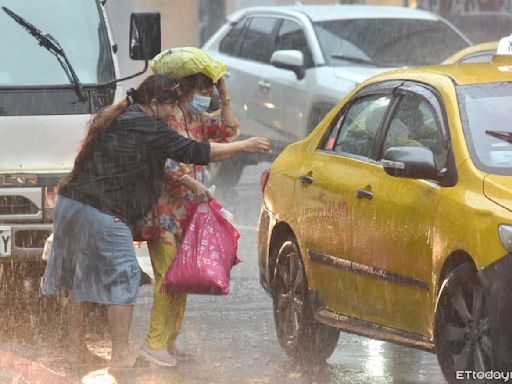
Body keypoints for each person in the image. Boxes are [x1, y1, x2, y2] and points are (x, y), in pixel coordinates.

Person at [40, 74, 271, 368]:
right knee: (124, 279)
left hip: (70, 204)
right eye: (169, 106)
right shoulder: (149, 127)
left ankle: (75, 349)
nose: (172, 112)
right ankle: (121, 353)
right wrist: (244, 146)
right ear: (154, 103)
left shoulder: (119, 116)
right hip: (103, 210)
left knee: (79, 277)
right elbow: (195, 151)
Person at [138, 72, 240, 367]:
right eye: (205, 85)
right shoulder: (165, 118)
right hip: (164, 212)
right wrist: (193, 184)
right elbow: (166, 161)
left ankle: (168, 341)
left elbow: (229, 131)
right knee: (167, 280)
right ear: (190, 85)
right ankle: (153, 342)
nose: (207, 91)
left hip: (188, 213)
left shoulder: (194, 116)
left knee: (181, 279)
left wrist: (226, 93)